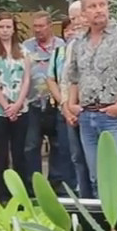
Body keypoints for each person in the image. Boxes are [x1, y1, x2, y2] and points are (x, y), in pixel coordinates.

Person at [63, 0, 117, 198]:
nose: (99, 9)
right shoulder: (79, 42)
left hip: (114, 117)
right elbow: (74, 76)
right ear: (83, 12)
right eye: (92, 6)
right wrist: (72, 105)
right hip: (87, 118)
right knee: (97, 178)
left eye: (102, 4)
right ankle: (107, 230)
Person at [0, 11, 31, 201]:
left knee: (20, 153)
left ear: (14, 29)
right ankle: (2, 197)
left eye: (8, 27)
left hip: (21, 109)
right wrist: (6, 106)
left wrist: (17, 105)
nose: (5, 30)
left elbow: (27, 79)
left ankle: (21, 195)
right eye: (1, 26)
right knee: (1, 154)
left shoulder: (24, 51)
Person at [22, 11, 70, 190]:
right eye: (35, 26)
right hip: (33, 102)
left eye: (41, 26)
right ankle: (34, 185)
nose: (38, 30)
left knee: (58, 145)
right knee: (31, 144)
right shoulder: (26, 47)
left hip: (56, 102)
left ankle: (56, 184)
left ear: (50, 26)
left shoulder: (62, 45)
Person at [50, 1, 92, 197]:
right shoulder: (68, 47)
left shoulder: (95, 42)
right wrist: (67, 107)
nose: (74, 23)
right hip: (70, 110)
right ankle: (83, 198)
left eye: (77, 17)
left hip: (91, 110)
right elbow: (66, 80)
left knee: (93, 159)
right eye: (71, 18)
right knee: (76, 158)